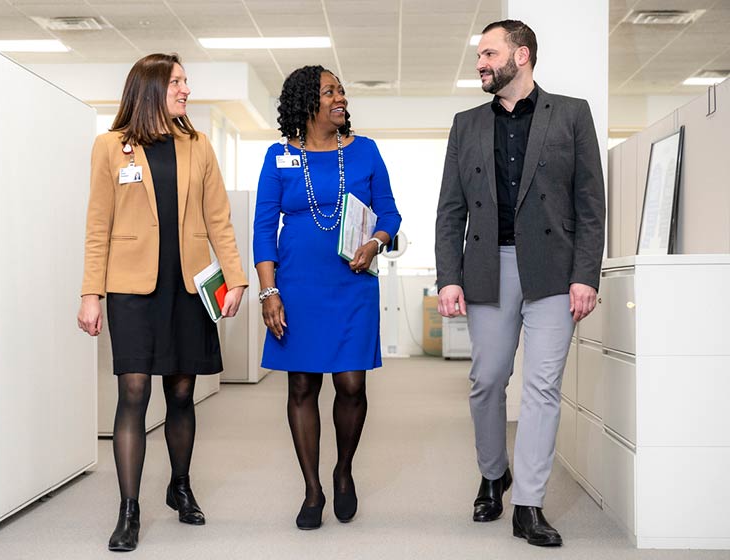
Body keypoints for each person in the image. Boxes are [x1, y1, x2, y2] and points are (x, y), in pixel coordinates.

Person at [435, 20, 605, 547]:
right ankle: (493, 474)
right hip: (488, 267)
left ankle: (528, 504)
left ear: (521, 56)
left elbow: (590, 203)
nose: (480, 63)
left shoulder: (572, 114)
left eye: (488, 53)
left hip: (554, 271)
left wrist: (585, 274)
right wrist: (449, 277)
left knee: (542, 388)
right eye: (479, 55)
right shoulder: (466, 124)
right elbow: (450, 209)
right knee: (488, 380)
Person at [77, 53, 248, 552]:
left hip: (189, 287)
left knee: (180, 392)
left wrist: (234, 278)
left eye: (185, 82)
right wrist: (92, 292)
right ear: (151, 88)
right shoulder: (110, 147)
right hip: (131, 288)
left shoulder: (198, 146)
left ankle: (180, 485)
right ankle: (129, 509)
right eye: (177, 82)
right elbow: (97, 227)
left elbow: (219, 219)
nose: (186, 90)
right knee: (133, 392)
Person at [252, 65, 401, 530]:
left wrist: (376, 242)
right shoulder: (278, 157)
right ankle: (312, 487)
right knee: (302, 386)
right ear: (305, 102)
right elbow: (263, 228)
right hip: (297, 286)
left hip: (352, 284)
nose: (340, 98)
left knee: (351, 384)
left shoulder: (365, 152)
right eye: (329, 91)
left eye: (341, 90)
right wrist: (269, 290)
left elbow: (390, 214)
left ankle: (343, 470)